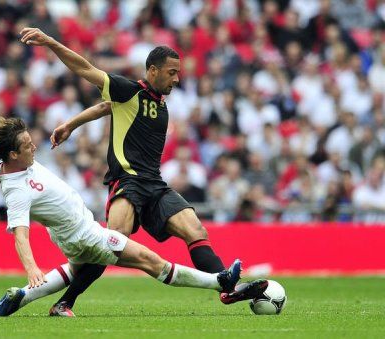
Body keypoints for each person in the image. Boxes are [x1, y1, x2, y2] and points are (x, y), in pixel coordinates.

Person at [0, 69, 266, 318]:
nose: (33, 146)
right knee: (149, 260)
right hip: (84, 235)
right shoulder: (17, 190)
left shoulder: (4, 156)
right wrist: (32, 268)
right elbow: (20, 235)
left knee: (77, 270)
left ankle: (22, 297)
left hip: (72, 234)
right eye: (26, 146)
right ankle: (221, 282)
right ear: (12, 155)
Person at [19, 27, 266, 316]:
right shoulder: (130, 90)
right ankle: (65, 302)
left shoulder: (157, 104)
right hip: (128, 182)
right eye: (172, 72)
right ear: (152, 71)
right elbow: (85, 69)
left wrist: (71, 124)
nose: (177, 78)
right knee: (111, 243)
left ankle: (227, 289)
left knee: (195, 228)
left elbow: (105, 108)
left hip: (155, 185)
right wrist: (49, 41)